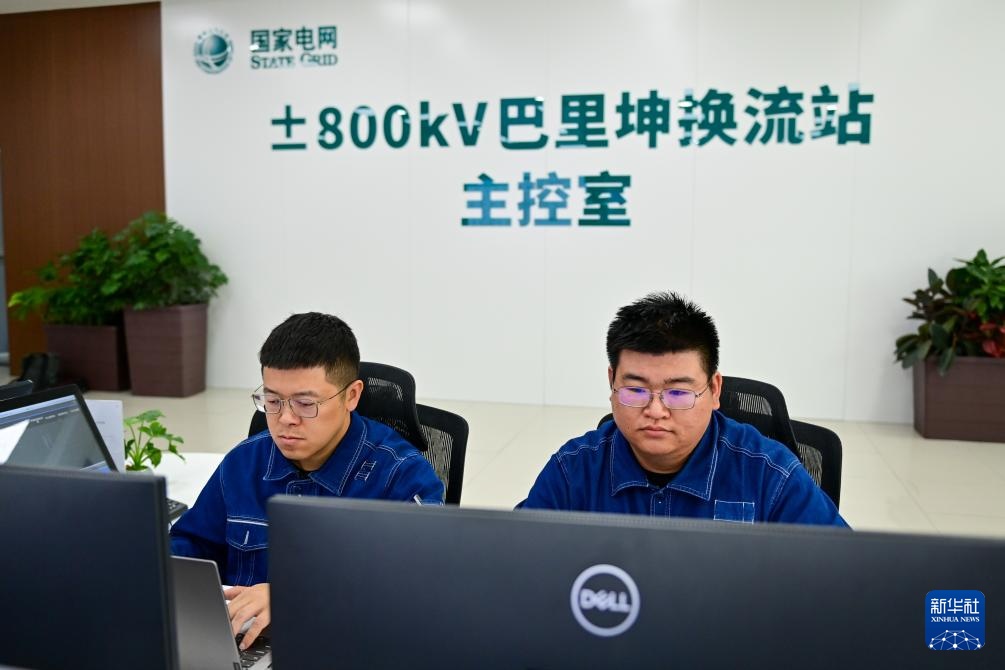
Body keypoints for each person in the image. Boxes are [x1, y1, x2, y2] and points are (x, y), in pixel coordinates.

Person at [170, 312, 444, 649]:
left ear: (352, 395)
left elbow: (419, 592)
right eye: (272, 400)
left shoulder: (402, 478)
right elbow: (188, 548)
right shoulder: (244, 461)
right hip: (240, 645)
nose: (285, 418)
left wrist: (296, 596)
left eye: (305, 403)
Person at [522, 291, 847, 527]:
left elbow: (843, 572)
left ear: (714, 390)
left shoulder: (770, 475)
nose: (656, 410)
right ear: (612, 383)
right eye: (636, 390)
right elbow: (515, 563)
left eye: (678, 393)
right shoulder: (574, 471)